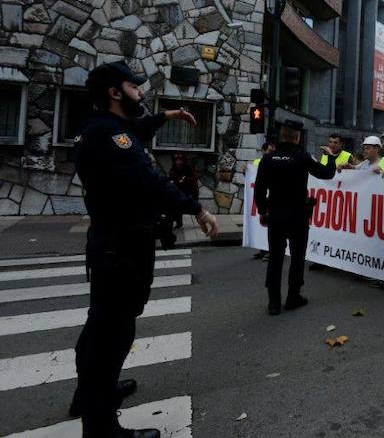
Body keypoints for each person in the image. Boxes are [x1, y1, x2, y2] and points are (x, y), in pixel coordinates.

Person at [71, 61, 219, 438]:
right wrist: (197, 208)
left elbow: (135, 128)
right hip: (122, 247)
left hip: (111, 244)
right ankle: (101, 427)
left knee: (101, 329)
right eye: (134, 87)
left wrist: (166, 115)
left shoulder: (99, 128)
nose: (141, 92)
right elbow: (151, 182)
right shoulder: (111, 137)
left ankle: (90, 393)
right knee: (112, 335)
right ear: (114, 93)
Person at [254, 120, 337, 315]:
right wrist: (331, 158)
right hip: (298, 216)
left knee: (275, 258)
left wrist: (263, 211)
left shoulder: (268, 159)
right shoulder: (302, 156)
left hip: (276, 215)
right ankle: (293, 297)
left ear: (282, 136)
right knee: (297, 257)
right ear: (297, 137)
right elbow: (326, 174)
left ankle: (273, 302)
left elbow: (259, 189)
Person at [168, 154, 199, 229]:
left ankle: (202, 220)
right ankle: (177, 223)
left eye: (180, 160)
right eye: (177, 160)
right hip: (179, 191)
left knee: (195, 208)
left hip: (190, 191)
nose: (178, 162)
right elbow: (172, 178)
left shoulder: (188, 168)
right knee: (174, 207)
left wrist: (183, 180)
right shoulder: (173, 169)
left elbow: (193, 178)